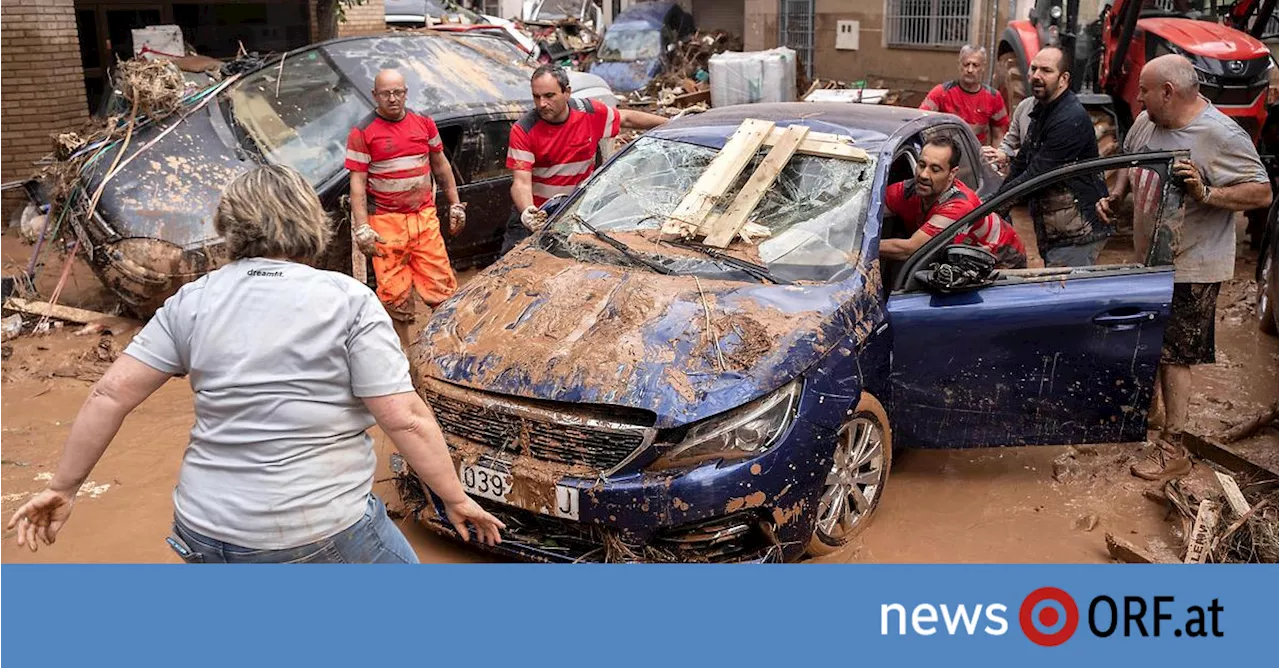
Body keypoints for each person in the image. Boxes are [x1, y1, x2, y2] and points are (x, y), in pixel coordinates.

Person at [6, 165, 505, 562]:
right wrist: (455, 499)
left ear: (230, 226)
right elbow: (405, 415)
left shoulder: (193, 300)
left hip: (202, 532)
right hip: (312, 532)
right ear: (310, 221)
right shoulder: (347, 300)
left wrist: (62, 487)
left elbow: (109, 395)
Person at [1097, 54, 1271, 481]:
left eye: (1143, 91)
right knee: (1152, 344)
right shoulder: (1147, 123)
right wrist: (1118, 195)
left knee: (1176, 356)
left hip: (1194, 264)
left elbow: (1262, 192)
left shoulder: (1220, 135)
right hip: (1150, 260)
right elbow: (1129, 160)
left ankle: (1174, 448)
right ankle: (1151, 418)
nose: (1137, 98)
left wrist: (1207, 193)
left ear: (1168, 93)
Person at [346, 68, 466, 350]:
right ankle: (404, 353)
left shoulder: (423, 123)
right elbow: (358, 184)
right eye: (385, 93)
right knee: (394, 293)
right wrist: (362, 228)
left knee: (441, 285)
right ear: (375, 96)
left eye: (397, 92)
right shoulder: (363, 132)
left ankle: (445, 347)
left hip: (423, 217)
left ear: (405, 93)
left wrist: (455, 204)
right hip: (386, 223)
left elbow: (441, 166)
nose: (392, 98)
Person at [502, 64, 669, 253]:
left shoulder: (590, 113)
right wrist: (528, 212)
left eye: (549, 96)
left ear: (567, 93)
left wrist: (675, 123)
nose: (541, 104)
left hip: (573, 213)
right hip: (535, 214)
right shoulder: (524, 129)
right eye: (536, 97)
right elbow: (521, 182)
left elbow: (627, 119)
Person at [996, 46, 1110, 267]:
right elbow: (1021, 164)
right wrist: (994, 206)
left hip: (1077, 233)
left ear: (1063, 78)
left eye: (1046, 71)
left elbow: (1036, 176)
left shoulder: (1069, 119)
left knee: (1064, 294)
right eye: (1034, 68)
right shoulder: (1042, 109)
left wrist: (994, 208)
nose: (1037, 76)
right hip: (1058, 228)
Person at [880, 134, 1027, 268]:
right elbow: (868, 209)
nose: (924, 175)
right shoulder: (907, 190)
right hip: (962, 255)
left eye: (935, 169)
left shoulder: (959, 205)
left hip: (1002, 257)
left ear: (952, 174)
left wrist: (859, 249)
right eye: (922, 165)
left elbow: (909, 250)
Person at [919, 45, 1010, 147]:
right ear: (959, 65)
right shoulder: (941, 92)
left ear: (983, 67)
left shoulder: (994, 97)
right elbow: (920, 122)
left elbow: (999, 135)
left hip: (976, 156)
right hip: (945, 154)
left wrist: (994, 160)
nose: (970, 70)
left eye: (975, 65)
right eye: (966, 64)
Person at [981, 96, 1035, 176]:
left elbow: (1040, 152)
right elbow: (1010, 141)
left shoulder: (1058, 115)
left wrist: (1009, 156)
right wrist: (996, 157)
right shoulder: (1025, 106)